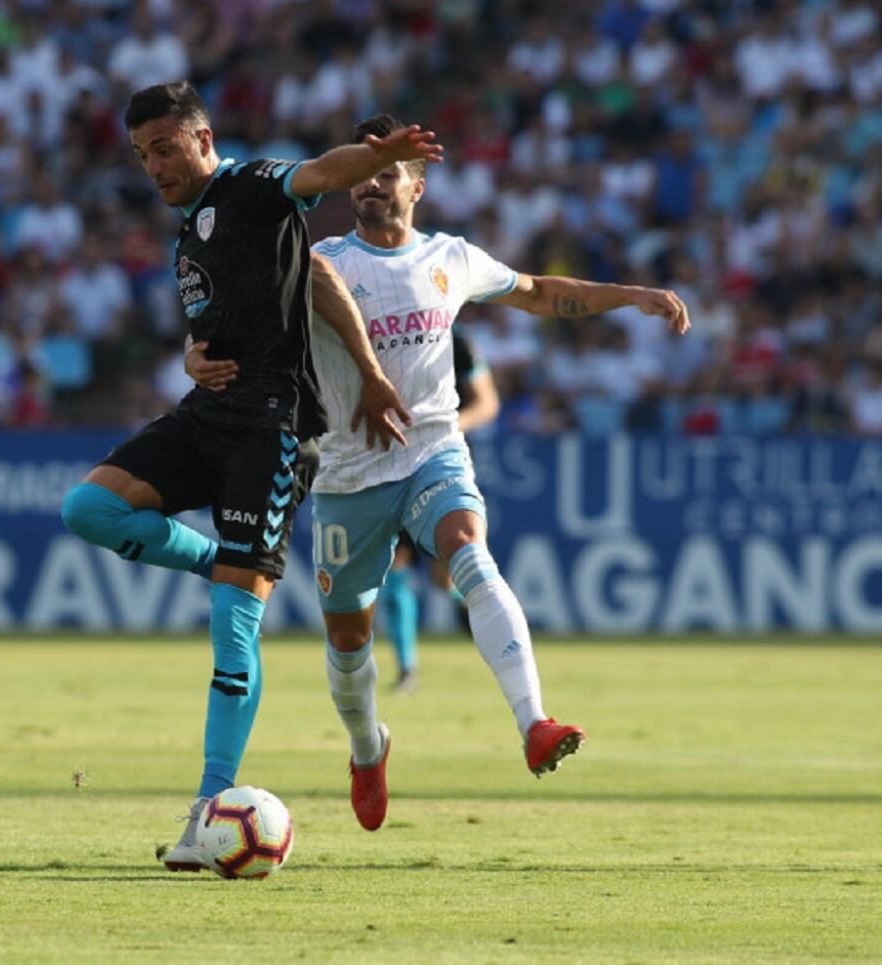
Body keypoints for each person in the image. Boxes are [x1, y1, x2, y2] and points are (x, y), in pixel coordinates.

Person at [59, 83, 441, 870]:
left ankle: (208, 808)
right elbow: (308, 284)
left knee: (233, 633)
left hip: (270, 430)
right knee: (88, 508)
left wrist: (377, 157)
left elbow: (320, 174)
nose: (154, 166)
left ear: (203, 138)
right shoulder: (192, 230)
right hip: (206, 411)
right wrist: (191, 356)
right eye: (141, 155)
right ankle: (219, 562)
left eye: (165, 147)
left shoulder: (254, 186)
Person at [309, 114, 690, 831]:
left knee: (468, 549)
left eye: (384, 172)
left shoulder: (450, 257)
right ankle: (368, 747)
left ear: (416, 186)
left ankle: (534, 722)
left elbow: (542, 292)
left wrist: (631, 295)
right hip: (348, 471)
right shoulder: (322, 262)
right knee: (349, 640)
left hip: (431, 450)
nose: (368, 186)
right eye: (360, 174)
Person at [382, 329, 500, 693]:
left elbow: (487, 403)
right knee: (393, 567)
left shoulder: (459, 344)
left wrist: (446, 427)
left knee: (444, 576)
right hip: (393, 465)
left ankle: (475, 616)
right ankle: (407, 669)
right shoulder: (385, 336)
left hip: (444, 466)